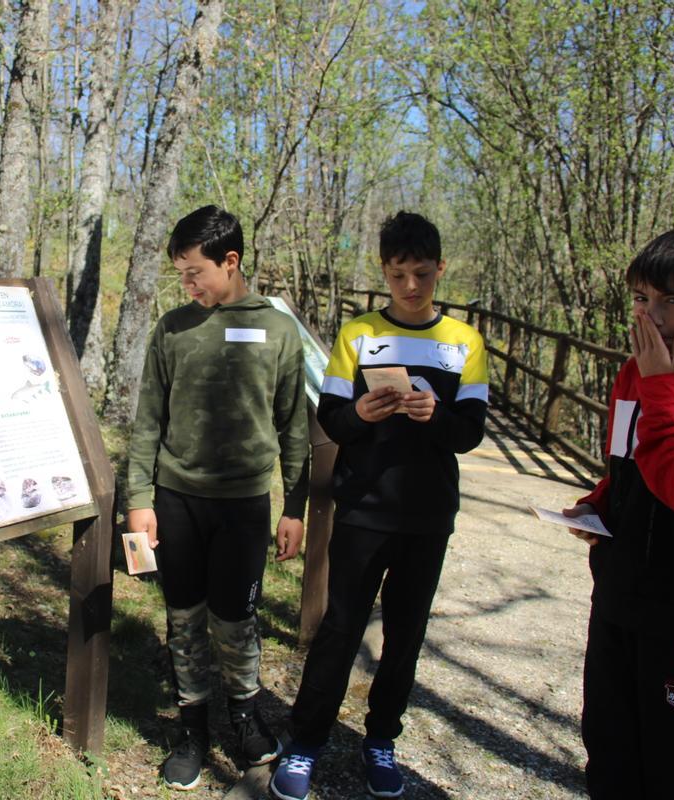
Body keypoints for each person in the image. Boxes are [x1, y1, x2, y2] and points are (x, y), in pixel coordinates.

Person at [271, 211, 489, 800]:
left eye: (422, 273)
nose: (411, 287)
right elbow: (332, 415)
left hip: (427, 515)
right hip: (364, 508)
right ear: (385, 273)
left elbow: (472, 431)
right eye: (398, 275)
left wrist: (436, 417)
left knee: (405, 634)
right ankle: (306, 741)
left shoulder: (465, 342)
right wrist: (362, 417)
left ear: (441, 269)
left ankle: (381, 740)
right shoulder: (358, 333)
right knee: (339, 629)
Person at [126, 204, 310, 791]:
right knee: (183, 619)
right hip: (178, 500)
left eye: (195, 271)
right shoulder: (172, 329)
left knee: (236, 618)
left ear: (231, 262)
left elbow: (294, 427)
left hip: (245, 506)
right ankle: (192, 731)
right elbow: (147, 419)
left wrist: (295, 508)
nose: (189, 284)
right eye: (181, 273)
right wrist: (139, 497)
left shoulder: (277, 331)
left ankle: (245, 717)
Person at [562, 226, 674, 799]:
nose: (653, 315)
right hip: (619, 586)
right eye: (641, 299)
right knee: (607, 739)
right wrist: (598, 505)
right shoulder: (634, 370)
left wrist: (664, 382)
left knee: (670, 755)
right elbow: (628, 465)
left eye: (673, 301)